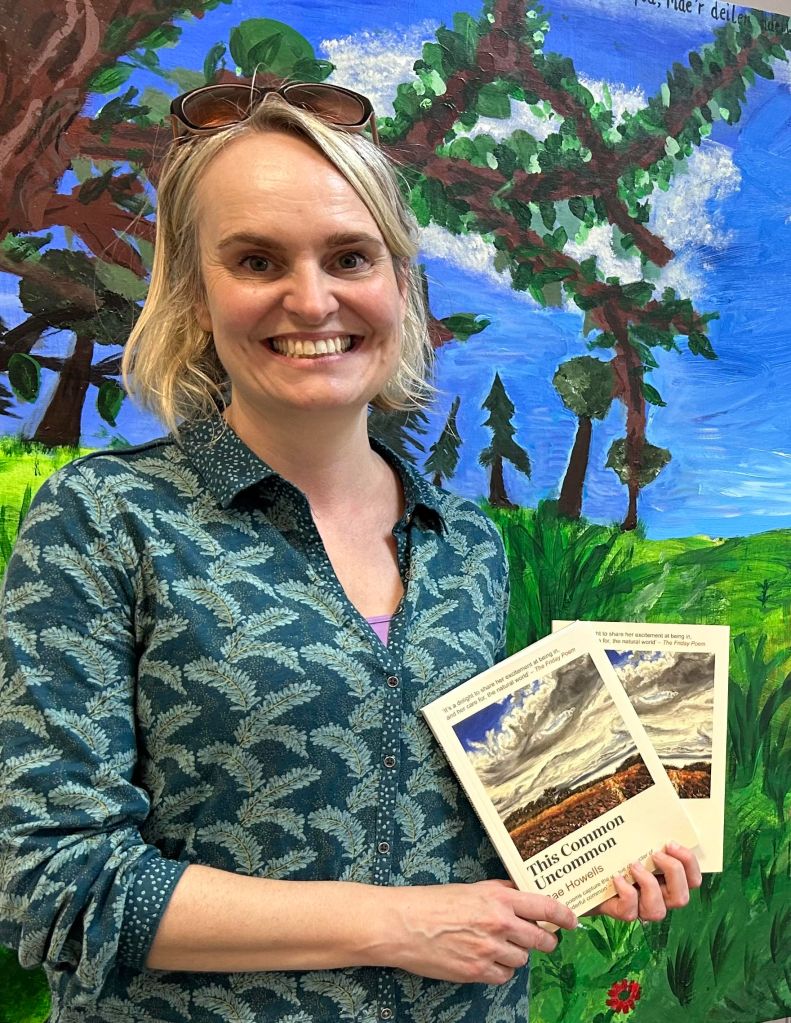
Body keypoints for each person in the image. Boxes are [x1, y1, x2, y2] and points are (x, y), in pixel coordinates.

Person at [0, 81, 701, 1022]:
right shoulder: (105, 518)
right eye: (255, 259)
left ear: (399, 283)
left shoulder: (469, 547)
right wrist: (393, 924)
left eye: (349, 256)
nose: (311, 297)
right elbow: (58, 881)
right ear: (198, 297)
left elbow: (456, 831)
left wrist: (605, 853)